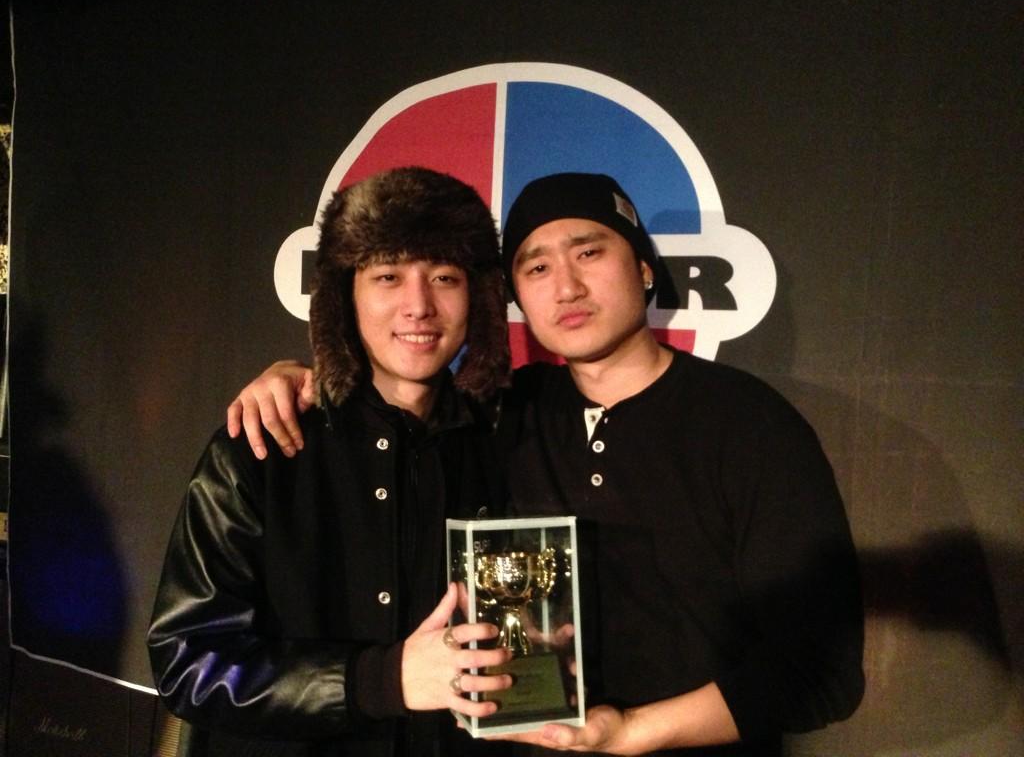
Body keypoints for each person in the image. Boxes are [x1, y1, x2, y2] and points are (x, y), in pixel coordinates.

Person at [228, 173, 865, 756]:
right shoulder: (505, 412)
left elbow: (822, 672)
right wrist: (298, 378)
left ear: (644, 268)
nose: (567, 287)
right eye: (536, 267)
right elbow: (393, 396)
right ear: (514, 298)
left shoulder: (751, 425)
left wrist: (632, 731)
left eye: (589, 253)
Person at [147, 167, 518, 757]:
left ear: (477, 295)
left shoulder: (505, 441)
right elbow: (189, 661)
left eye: (444, 277)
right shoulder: (262, 444)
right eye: (388, 276)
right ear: (345, 296)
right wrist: (381, 681)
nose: (419, 306)